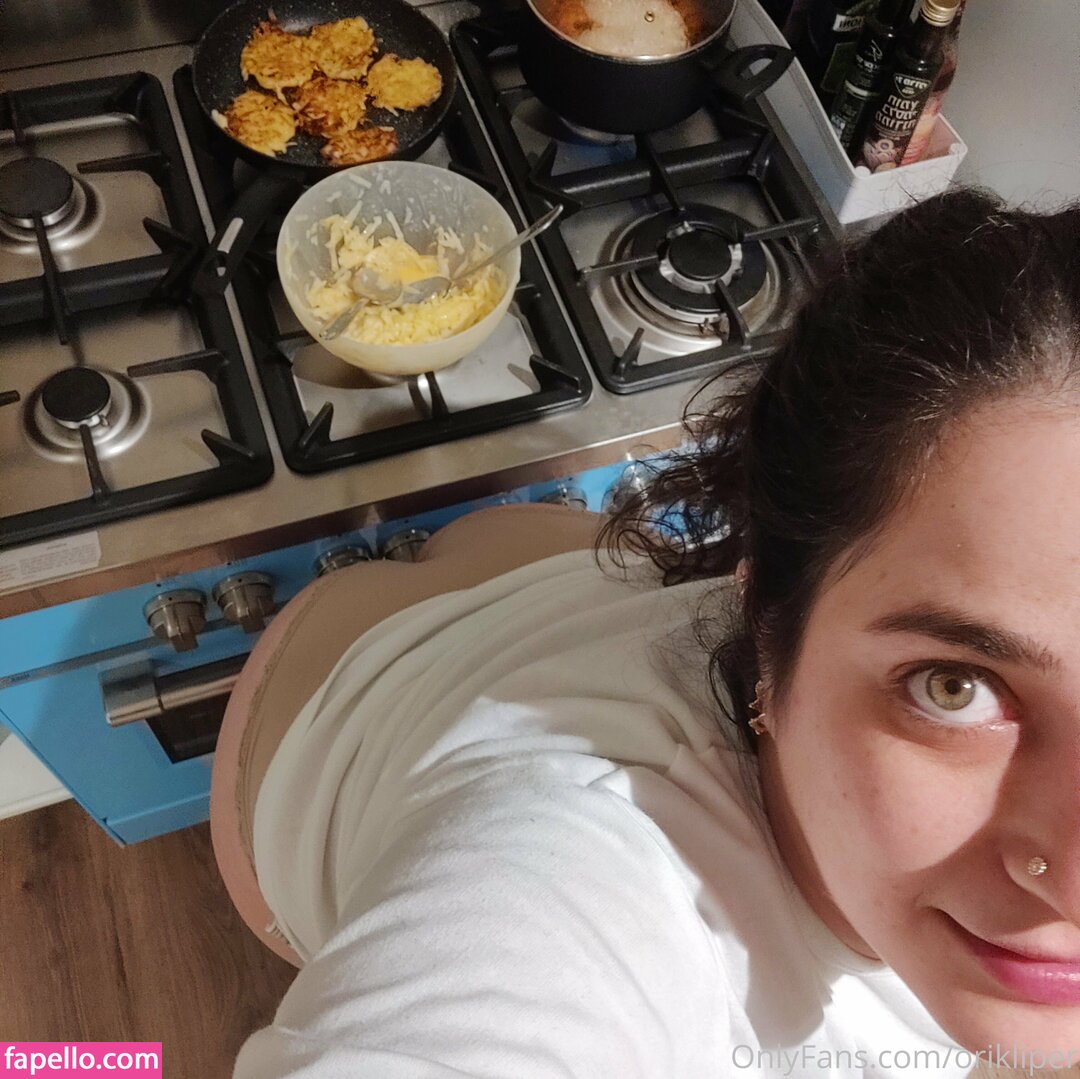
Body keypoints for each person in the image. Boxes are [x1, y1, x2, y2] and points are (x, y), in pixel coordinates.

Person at [210, 188, 1080, 1078]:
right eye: (953, 685)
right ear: (763, 621)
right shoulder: (579, 888)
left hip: (520, 592)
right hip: (313, 747)